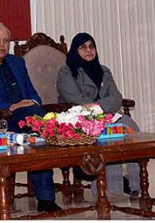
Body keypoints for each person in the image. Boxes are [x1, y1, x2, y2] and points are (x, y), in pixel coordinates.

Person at [0, 22, 61, 213]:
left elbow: (33, 94)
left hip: (24, 116)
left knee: (38, 122)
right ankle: (42, 197)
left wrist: (33, 103)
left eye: (6, 41)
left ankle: (46, 199)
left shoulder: (17, 63)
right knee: (36, 123)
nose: (2, 44)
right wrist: (11, 106)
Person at [57, 32, 141, 197]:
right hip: (80, 118)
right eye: (83, 47)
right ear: (75, 50)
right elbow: (77, 100)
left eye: (91, 46)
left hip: (105, 114)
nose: (88, 51)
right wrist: (100, 108)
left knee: (130, 125)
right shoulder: (67, 72)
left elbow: (116, 98)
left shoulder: (104, 70)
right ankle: (111, 187)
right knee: (107, 132)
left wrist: (98, 107)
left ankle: (134, 184)